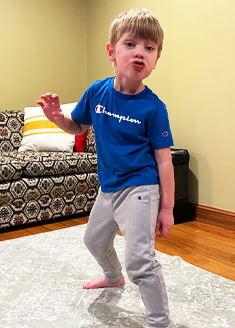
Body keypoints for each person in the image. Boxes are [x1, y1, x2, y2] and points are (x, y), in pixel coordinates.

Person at [38, 8, 174, 328]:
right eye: (131, 44)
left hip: (141, 187)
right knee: (94, 241)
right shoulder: (96, 92)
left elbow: (165, 160)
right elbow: (77, 126)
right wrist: (59, 119)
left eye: (149, 48)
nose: (140, 52)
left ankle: (159, 321)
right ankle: (113, 278)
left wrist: (166, 207)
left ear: (155, 60)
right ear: (112, 51)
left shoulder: (153, 108)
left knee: (140, 260)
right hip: (109, 186)